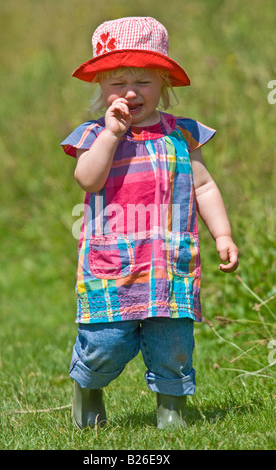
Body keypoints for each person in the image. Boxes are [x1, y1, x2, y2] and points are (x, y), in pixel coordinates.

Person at [61, 16, 239, 430]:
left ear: (165, 85)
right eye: (116, 82)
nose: (129, 92)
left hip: (170, 266)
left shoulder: (182, 135)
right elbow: (88, 179)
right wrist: (111, 135)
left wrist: (223, 234)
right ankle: (88, 388)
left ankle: (171, 413)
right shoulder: (93, 135)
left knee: (173, 346)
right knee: (105, 343)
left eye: (143, 81)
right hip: (113, 267)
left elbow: (205, 187)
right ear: (101, 89)